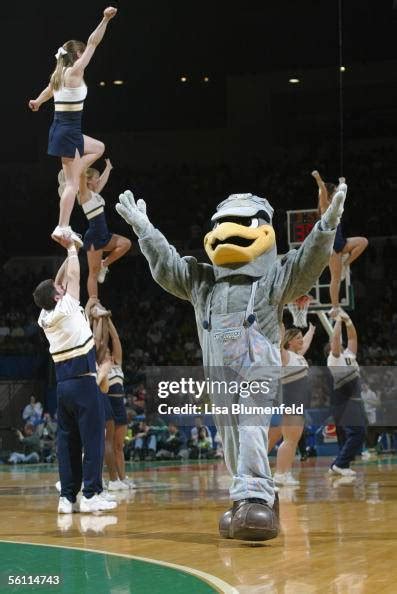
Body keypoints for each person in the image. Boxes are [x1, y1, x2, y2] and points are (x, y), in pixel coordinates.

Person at [115, 184, 347, 540]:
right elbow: (169, 266)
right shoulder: (203, 283)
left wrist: (326, 227)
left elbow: (305, 265)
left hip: (258, 367)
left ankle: (253, 494)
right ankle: (254, 501)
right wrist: (146, 231)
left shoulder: (272, 280)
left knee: (250, 422)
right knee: (230, 434)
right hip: (219, 375)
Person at [33, 236, 117, 513]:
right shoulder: (67, 306)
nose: (63, 287)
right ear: (58, 296)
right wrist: (72, 249)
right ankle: (91, 495)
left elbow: (60, 281)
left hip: (62, 386)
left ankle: (67, 498)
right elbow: (73, 276)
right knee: (93, 438)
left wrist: (67, 255)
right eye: (60, 289)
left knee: (67, 442)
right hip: (83, 381)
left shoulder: (44, 317)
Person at [28, 7, 117, 246]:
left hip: (65, 131)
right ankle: (62, 227)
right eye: (82, 53)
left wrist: (37, 101)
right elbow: (93, 42)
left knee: (98, 147)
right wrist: (105, 19)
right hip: (67, 132)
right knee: (70, 183)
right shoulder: (76, 71)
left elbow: (49, 90)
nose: (84, 55)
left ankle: (76, 173)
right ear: (77, 55)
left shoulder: (59, 74)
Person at [312, 171, 368, 317]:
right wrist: (318, 178)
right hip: (331, 248)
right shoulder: (324, 206)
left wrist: (342, 182)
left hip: (341, 242)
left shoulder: (337, 205)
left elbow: (342, 196)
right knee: (335, 279)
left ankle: (345, 264)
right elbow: (322, 189)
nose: (337, 192)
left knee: (363, 242)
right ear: (330, 194)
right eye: (335, 190)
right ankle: (335, 307)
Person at [268, 323, 315, 486]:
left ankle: (284, 472)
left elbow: (307, 343)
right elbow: (279, 343)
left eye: (301, 337)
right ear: (289, 341)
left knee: (290, 440)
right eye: (298, 338)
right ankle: (280, 474)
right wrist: (280, 323)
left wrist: (312, 330)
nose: (301, 340)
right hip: (291, 401)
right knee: (289, 440)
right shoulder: (285, 355)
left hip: (298, 402)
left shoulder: (298, 356)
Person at [77, 162, 131, 297]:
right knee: (93, 274)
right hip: (94, 237)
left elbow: (103, 181)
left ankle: (104, 264)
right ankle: (94, 301)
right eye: (96, 177)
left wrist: (108, 167)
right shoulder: (85, 194)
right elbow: (81, 175)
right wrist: (87, 160)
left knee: (126, 244)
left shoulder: (94, 193)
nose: (98, 179)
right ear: (89, 180)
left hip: (104, 234)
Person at [326, 312, 366, 476]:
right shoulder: (334, 358)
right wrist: (337, 322)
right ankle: (341, 465)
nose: (340, 344)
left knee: (352, 434)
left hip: (354, 401)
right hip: (346, 402)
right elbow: (335, 341)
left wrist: (348, 321)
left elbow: (353, 339)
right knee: (357, 433)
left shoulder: (349, 356)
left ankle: (337, 465)